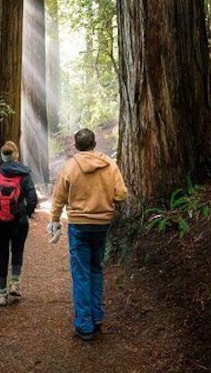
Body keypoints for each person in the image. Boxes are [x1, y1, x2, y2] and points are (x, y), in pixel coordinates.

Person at [48, 128, 128, 341]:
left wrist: (55, 219)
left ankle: (84, 325)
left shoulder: (70, 166)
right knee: (96, 269)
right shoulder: (109, 165)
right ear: (94, 144)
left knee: (81, 273)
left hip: (79, 226)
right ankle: (97, 316)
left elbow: (58, 198)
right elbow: (121, 194)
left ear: (77, 145)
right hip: (102, 225)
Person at [0, 141, 38, 306]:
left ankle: (1, 294)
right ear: (16, 155)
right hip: (18, 221)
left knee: (1, 254)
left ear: (2, 156)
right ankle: (15, 284)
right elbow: (32, 199)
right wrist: (24, 213)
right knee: (17, 251)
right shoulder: (24, 174)